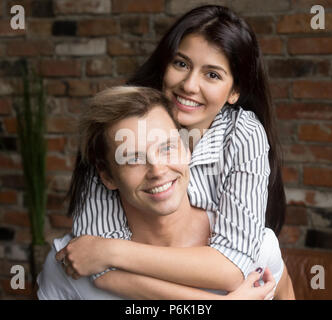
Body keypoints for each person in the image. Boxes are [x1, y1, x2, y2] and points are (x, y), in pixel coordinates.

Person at [57, 5, 290, 298]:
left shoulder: (242, 133)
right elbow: (97, 268)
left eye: (213, 75)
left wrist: (112, 251)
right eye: (181, 64)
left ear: (234, 91)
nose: (190, 85)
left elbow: (232, 267)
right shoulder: (119, 126)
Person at [37, 86, 293, 299]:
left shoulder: (257, 248)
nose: (157, 170)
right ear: (107, 176)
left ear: (188, 149)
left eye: (168, 147)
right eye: (133, 159)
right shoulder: (71, 265)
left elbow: (284, 292)